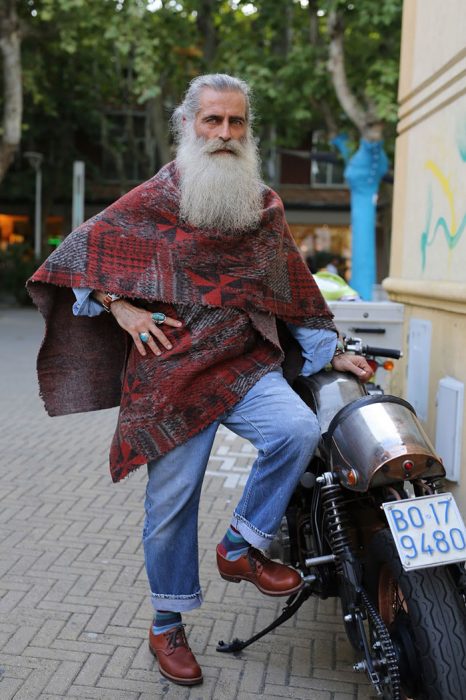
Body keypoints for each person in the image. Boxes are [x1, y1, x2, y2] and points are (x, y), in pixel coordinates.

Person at [28, 73, 372, 687]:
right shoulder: (152, 199)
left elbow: (293, 284)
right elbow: (79, 256)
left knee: (297, 427)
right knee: (170, 508)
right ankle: (168, 624)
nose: (224, 134)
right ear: (187, 125)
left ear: (248, 129)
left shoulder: (262, 205)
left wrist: (333, 350)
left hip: (242, 364)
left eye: (236, 122)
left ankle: (240, 546)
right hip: (169, 372)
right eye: (212, 121)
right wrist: (123, 309)